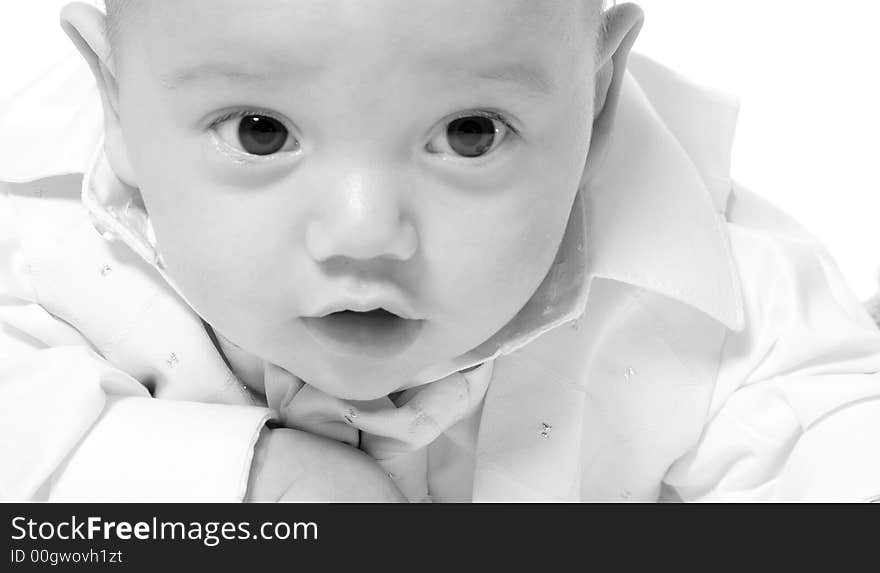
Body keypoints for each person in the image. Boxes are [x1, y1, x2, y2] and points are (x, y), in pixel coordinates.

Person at [3, 0, 880, 502]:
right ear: (115, 103)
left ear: (598, 91)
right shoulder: (44, 258)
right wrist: (241, 483)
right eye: (262, 133)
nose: (363, 231)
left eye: (469, 134)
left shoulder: (725, 302)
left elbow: (827, 428)